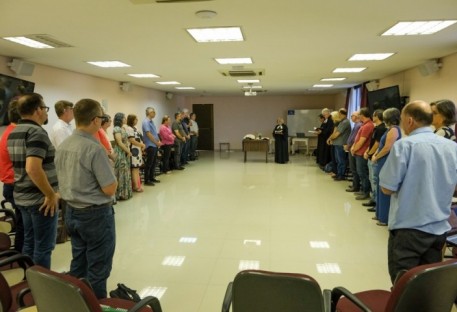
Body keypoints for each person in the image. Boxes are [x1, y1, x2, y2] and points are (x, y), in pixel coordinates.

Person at [379, 100, 457, 284]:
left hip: (409, 227)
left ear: (410, 120)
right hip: (438, 228)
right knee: (428, 283)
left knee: (403, 284)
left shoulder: (405, 146)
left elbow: (387, 188)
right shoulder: (452, 147)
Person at [55, 98, 117, 299]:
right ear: (95, 120)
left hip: (71, 211)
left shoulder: (64, 145)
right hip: (95, 215)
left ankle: (77, 302)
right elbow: (109, 188)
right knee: (98, 268)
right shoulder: (94, 149)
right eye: (101, 117)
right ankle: (96, 303)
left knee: (79, 262)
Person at [7, 93, 59, 268]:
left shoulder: (15, 132)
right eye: (45, 109)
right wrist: (50, 194)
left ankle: (29, 282)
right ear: (37, 110)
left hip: (22, 196)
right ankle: (41, 289)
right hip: (40, 200)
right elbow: (32, 168)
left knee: (29, 243)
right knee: (44, 247)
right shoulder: (36, 132)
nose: (46, 113)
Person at [0, 98, 24, 252]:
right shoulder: (16, 134)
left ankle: (23, 257)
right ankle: (25, 261)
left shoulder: (10, 131)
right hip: (16, 186)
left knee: (23, 225)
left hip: (11, 185)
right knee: (26, 227)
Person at [371, 108, 401, 225]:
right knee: (379, 187)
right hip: (382, 160)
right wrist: (375, 154)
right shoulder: (389, 129)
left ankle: (385, 218)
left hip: (386, 161)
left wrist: (377, 156)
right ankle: (379, 214)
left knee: (385, 188)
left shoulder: (394, 130)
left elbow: (387, 147)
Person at [363, 109, 386, 208]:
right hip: (370, 156)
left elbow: (377, 144)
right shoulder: (376, 128)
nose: (373, 116)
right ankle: (373, 198)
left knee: (375, 180)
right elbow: (372, 142)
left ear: (377, 116)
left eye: (374, 115)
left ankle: (376, 202)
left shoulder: (382, 128)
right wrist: (367, 151)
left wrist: (370, 153)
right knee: (371, 178)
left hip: (374, 158)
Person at [350, 107, 374, 200]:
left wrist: (354, 149)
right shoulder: (364, 125)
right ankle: (363, 190)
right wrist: (353, 147)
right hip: (358, 152)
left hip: (361, 152)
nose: (358, 116)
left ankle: (366, 192)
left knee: (363, 173)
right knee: (360, 172)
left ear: (362, 115)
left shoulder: (368, 126)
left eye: (359, 114)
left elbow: (362, 141)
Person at [327, 108, 351, 180]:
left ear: (341, 114)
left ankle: (341, 175)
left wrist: (330, 138)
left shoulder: (345, 122)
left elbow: (337, 134)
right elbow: (335, 132)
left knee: (341, 160)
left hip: (341, 144)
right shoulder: (341, 121)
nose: (338, 115)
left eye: (339, 114)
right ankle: (338, 173)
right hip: (337, 143)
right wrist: (331, 138)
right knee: (338, 160)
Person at [113, 112, 132, 200]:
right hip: (120, 153)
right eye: (124, 117)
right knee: (121, 172)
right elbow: (119, 142)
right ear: (120, 119)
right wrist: (128, 151)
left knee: (125, 172)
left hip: (124, 152)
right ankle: (120, 194)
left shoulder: (122, 128)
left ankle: (125, 193)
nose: (125, 119)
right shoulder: (117, 129)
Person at [142, 107, 162, 185]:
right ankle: (147, 180)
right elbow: (148, 134)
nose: (154, 113)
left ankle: (151, 177)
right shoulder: (146, 122)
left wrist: (158, 141)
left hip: (154, 144)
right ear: (149, 113)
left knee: (154, 162)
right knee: (149, 163)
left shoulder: (151, 121)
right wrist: (156, 142)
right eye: (153, 112)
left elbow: (154, 133)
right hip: (150, 145)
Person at [126, 114, 145, 192]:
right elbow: (132, 140)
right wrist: (141, 145)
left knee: (137, 168)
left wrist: (142, 145)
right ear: (131, 120)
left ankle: (138, 184)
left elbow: (139, 138)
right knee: (134, 168)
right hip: (133, 150)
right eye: (135, 119)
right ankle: (136, 186)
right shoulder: (129, 128)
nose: (137, 120)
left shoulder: (136, 128)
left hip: (138, 149)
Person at [344, 111, 362, 192]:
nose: (351, 117)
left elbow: (354, 138)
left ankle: (356, 186)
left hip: (353, 148)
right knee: (353, 168)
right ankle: (355, 184)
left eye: (352, 116)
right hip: (352, 147)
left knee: (354, 168)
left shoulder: (358, 125)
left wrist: (348, 145)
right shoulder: (356, 125)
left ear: (357, 116)